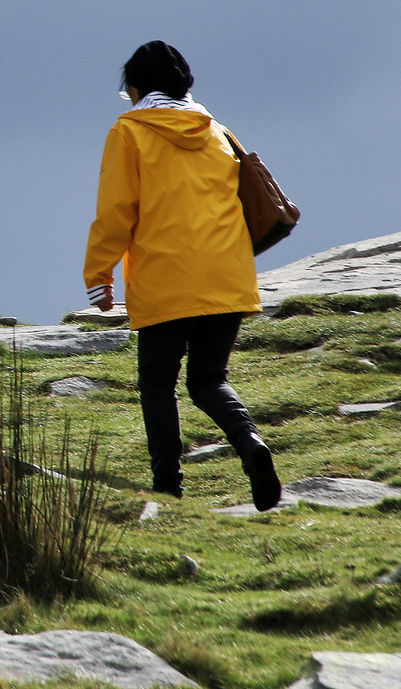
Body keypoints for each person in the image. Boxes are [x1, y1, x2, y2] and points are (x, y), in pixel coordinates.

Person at [83, 41, 281, 511]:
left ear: (135, 88)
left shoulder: (129, 132)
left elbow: (116, 211)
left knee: (158, 381)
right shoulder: (218, 131)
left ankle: (168, 485)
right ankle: (251, 443)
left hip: (166, 275)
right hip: (227, 275)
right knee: (209, 378)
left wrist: (99, 275)